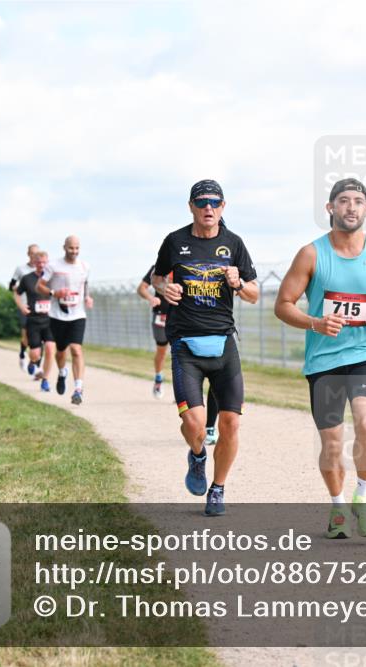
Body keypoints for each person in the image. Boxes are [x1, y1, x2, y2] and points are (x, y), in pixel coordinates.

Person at [275, 178, 366, 539]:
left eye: (358, 202)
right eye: (344, 201)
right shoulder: (311, 254)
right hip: (324, 361)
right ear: (330, 209)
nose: (351, 207)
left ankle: (363, 496)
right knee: (332, 444)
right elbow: (282, 306)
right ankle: (337, 507)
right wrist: (315, 322)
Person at [152, 179, 257, 516]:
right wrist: (164, 289)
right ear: (191, 207)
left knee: (230, 424)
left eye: (215, 203)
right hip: (185, 344)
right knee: (196, 426)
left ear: (223, 207)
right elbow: (156, 277)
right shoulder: (175, 241)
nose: (208, 208)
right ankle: (197, 457)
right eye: (202, 203)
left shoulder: (234, 243)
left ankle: (218, 488)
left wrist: (238, 282)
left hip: (224, 344)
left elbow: (254, 293)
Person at [138, 265, 220, 444]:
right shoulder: (157, 268)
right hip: (161, 316)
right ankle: (159, 379)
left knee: (180, 353)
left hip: (182, 319)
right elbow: (141, 288)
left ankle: (183, 390)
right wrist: (152, 298)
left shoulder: (187, 266)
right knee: (161, 352)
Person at [37, 236, 93, 405]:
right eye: (71, 248)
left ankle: (78, 389)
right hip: (57, 315)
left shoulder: (85, 266)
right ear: (64, 247)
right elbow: (39, 286)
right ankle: (62, 372)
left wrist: (88, 297)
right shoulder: (53, 266)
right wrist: (55, 293)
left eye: (77, 248)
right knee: (60, 352)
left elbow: (85, 284)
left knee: (76, 349)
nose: (74, 251)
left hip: (77, 315)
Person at [15, 251, 56, 392]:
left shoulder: (52, 278)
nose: (42, 265)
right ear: (34, 263)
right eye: (39, 263)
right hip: (33, 320)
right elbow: (16, 292)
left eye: (44, 262)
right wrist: (21, 307)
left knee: (50, 348)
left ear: (48, 263)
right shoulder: (27, 279)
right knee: (36, 354)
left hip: (50, 320)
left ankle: (45, 380)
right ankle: (32, 362)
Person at [9, 244, 40, 372]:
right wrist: (17, 288)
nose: (35, 256)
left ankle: (36, 366)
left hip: (38, 307)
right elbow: (11, 286)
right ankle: (22, 354)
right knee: (26, 337)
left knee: (39, 337)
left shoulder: (43, 270)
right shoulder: (20, 269)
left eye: (37, 254)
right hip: (24, 306)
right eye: (32, 253)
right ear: (28, 254)